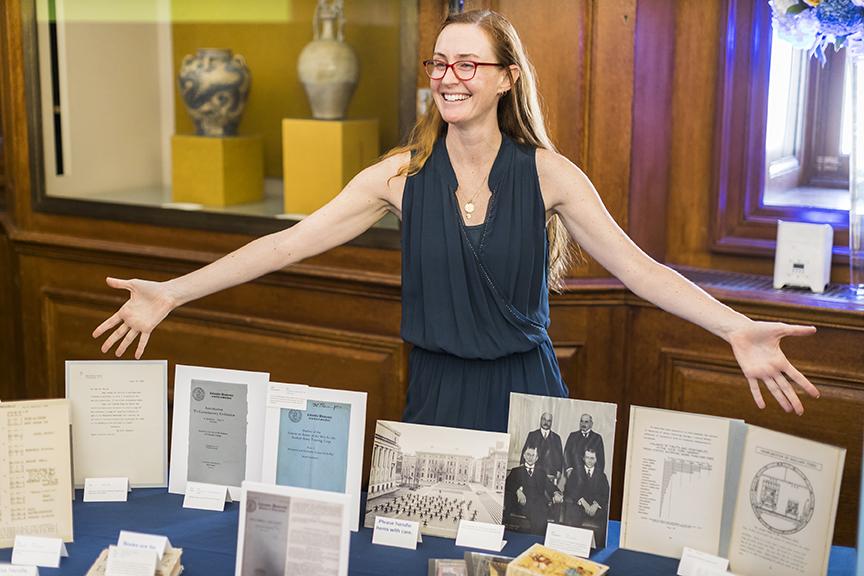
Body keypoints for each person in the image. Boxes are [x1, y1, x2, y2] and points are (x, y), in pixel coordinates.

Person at [92, 10, 820, 434]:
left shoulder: (549, 174)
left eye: (470, 64)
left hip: (529, 396)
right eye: (441, 63)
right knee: (430, 557)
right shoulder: (399, 175)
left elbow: (641, 270)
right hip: (434, 393)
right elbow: (286, 243)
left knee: (536, 558)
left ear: (507, 77)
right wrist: (172, 292)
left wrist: (734, 328)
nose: (450, 77)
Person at [504, 445, 564, 534]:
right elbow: (507, 484)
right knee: (538, 516)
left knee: (540, 513)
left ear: (537, 458)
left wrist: (556, 493)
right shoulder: (516, 471)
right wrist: (518, 491)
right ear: (524, 456)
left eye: (533, 455)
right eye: (528, 454)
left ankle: (537, 540)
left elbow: (550, 486)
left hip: (538, 505)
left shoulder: (541, 472)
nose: (530, 457)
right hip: (521, 505)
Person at [562, 448, 609, 547]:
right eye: (587, 457)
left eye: (592, 458)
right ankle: (573, 546)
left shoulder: (601, 475)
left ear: (596, 460)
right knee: (572, 513)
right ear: (583, 458)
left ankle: (599, 548)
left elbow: (605, 494)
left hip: (595, 508)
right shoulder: (575, 473)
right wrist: (582, 501)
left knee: (605, 517)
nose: (589, 460)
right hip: (579, 506)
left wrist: (596, 505)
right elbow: (568, 490)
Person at [519, 412, 564, 482]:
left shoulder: (556, 438)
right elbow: (525, 452)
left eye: (549, 421)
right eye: (544, 419)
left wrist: (559, 470)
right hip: (534, 473)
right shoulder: (532, 435)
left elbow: (559, 456)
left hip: (550, 474)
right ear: (541, 420)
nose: (546, 422)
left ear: (551, 422)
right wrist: (522, 466)